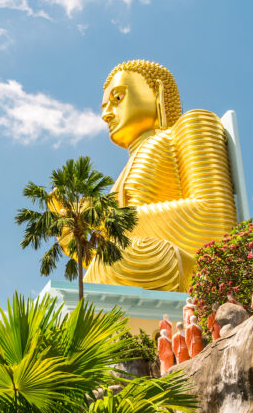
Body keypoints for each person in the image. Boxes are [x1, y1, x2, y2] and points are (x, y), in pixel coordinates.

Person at [84, 60, 239, 292]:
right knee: (110, 262)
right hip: (138, 264)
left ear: (157, 90)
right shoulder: (121, 176)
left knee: (120, 259)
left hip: (190, 269)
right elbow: (118, 245)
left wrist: (110, 219)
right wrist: (74, 238)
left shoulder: (189, 126)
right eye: (104, 107)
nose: (107, 114)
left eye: (117, 99)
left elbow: (215, 215)